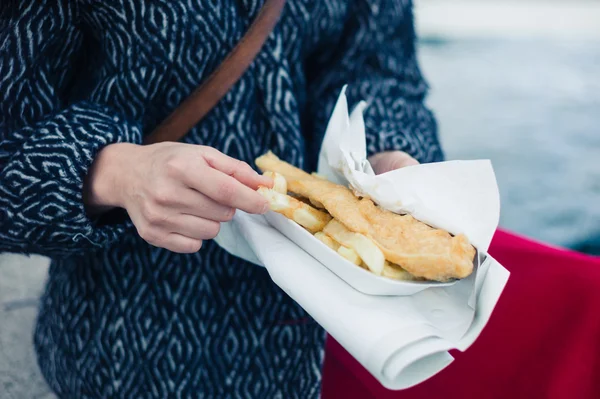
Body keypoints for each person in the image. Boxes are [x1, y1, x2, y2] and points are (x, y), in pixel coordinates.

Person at [0, 0, 442, 397]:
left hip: (323, 344)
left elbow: (379, 68)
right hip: (129, 344)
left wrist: (387, 151)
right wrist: (112, 172)